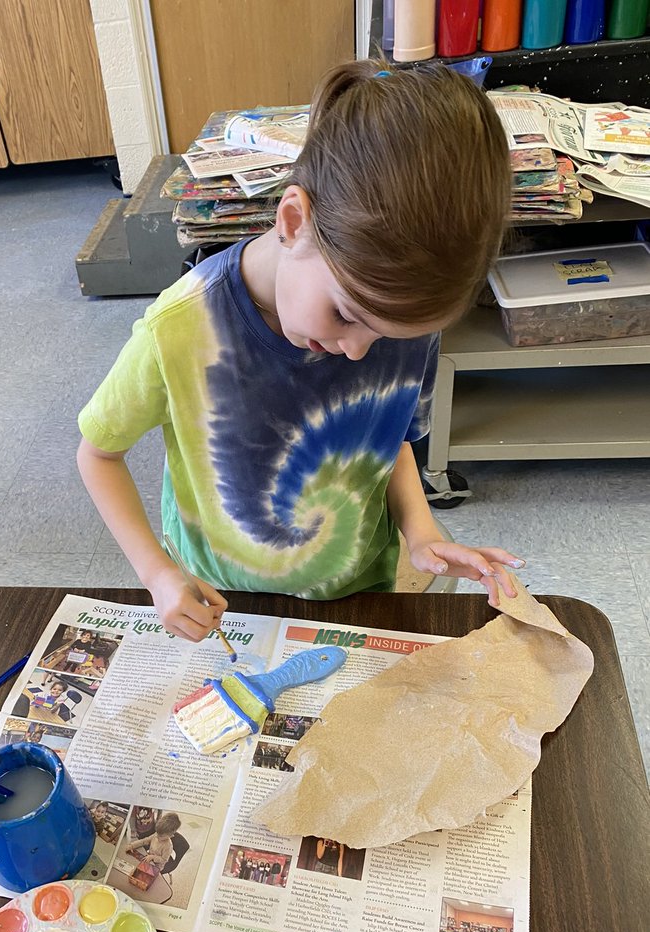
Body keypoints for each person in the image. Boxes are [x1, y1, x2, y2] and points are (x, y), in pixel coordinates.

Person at [77, 61, 523, 643]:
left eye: (387, 337)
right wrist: (157, 575)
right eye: (345, 315)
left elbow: (387, 438)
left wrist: (420, 528)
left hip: (361, 591)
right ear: (293, 220)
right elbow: (97, 456)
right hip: (222, 599)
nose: (360, 352)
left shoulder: (403, 318)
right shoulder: (179, 327)